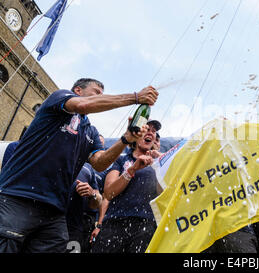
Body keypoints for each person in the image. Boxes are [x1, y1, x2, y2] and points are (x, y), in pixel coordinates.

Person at [0, 78, 158, 253]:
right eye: (97, 92)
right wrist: (136, 97)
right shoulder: (59, 98)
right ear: (78, 91)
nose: (101, 96)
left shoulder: (90, 131)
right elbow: (82, 105)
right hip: (19, 198)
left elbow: (99, 163)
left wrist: (126, 139)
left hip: (55, 211)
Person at [91, 120, 161, 253]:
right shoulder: (121, 160)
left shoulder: (158, 164)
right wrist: (132, 170)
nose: (150, 133)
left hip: (145, 226)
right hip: (114, 223)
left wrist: (160, 164)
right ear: (136, 135)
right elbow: (109, 193)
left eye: (154, 131)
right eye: (147, 129)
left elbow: (162, 194)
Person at [65, 162, 102, 253]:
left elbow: (96, 203)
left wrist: (92, 194)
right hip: (48, 223)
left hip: (74, 228)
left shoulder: (87, 167)